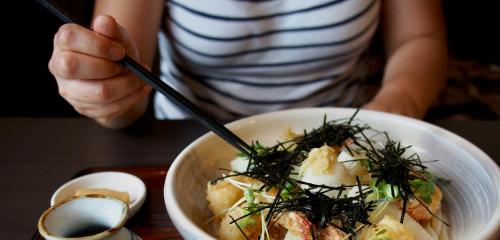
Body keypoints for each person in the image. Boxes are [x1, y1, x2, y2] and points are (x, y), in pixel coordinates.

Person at [48, 0, 448, 129]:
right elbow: (127, 100)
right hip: (190, 146)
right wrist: (110, 91)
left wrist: (390, 112)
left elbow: (420, 40)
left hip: (347, 135)